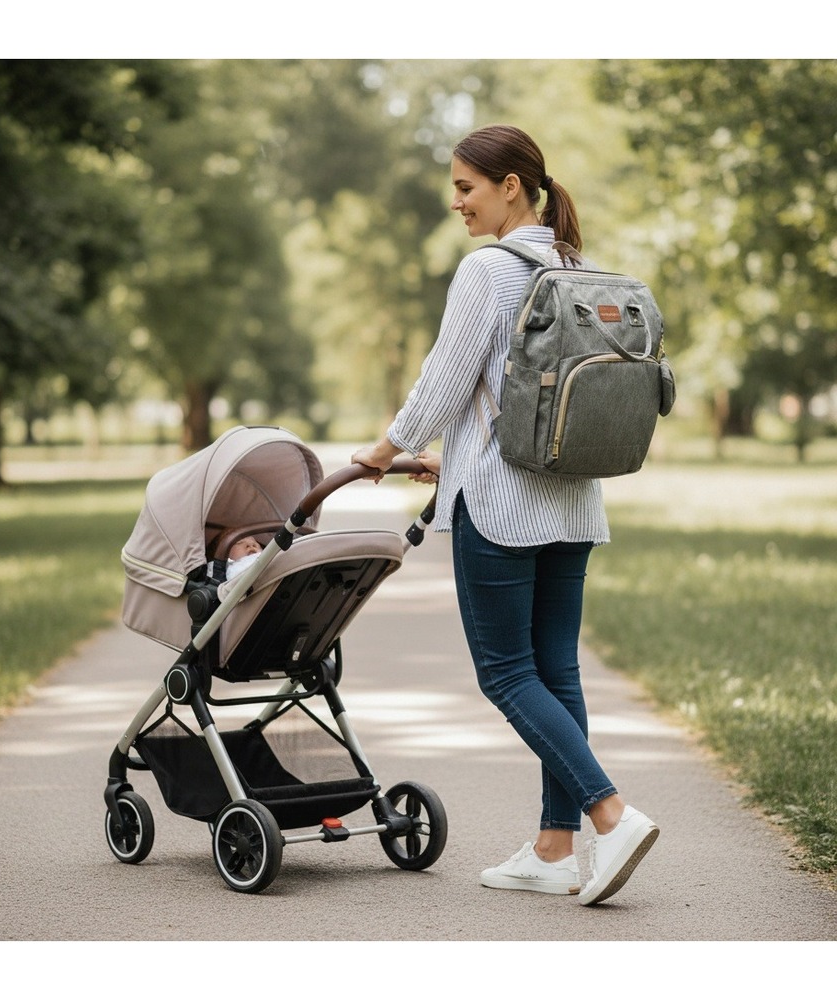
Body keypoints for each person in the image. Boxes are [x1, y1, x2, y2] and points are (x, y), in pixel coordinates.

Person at [351, 124, 658, 906]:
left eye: (466, 188)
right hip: (573, 498)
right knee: (556, 669)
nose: (456, 202)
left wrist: (385, 450)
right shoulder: (576, 267)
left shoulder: (487, 269)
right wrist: (443, 456)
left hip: (501, 505)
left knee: (508, 673)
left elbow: (445, 380)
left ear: (510, 187)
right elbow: (513, 396)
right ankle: (554, 850)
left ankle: (610, 814)